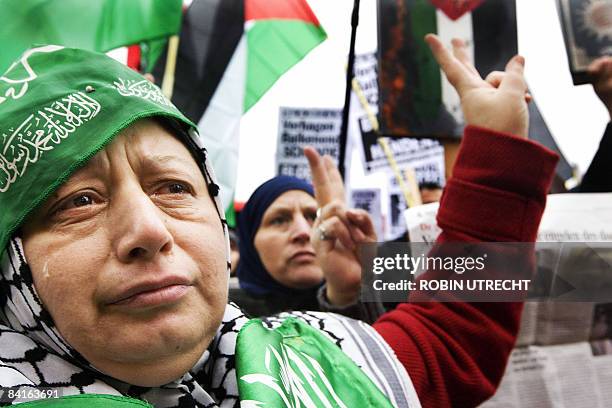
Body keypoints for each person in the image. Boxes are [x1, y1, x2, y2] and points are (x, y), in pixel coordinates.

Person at [0, 33, 559, 408]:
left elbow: (451, 338)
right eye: (78, 202)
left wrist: (497, 151)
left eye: (173, 187)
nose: (149, 231)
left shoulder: (315, 359)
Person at [230, 175, 378, 318]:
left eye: (313, 217)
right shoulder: (224, 316)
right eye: (279, 220)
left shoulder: (389, 295)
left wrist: (348, 296)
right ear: (250, 242)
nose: (304, 232)